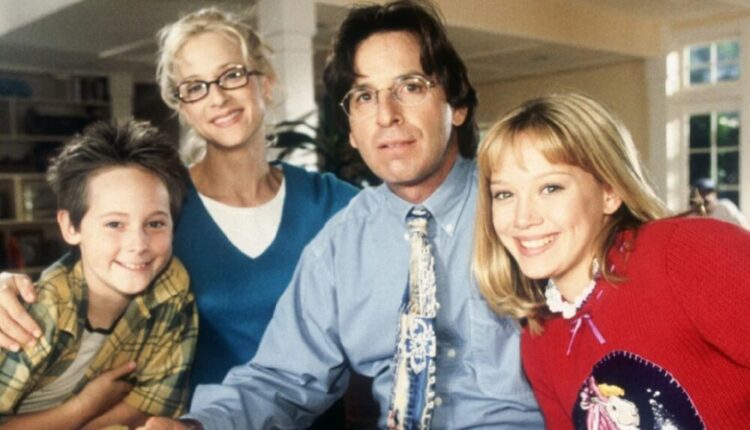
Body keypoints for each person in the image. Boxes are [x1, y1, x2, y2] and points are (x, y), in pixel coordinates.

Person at [136, 1, 543, 429]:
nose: (386, 115)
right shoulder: (340, 244)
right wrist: (197, 426)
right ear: (351, 127)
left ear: (457, 105)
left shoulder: (525, 208)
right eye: (365, 96)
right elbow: (282, 379)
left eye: (410, 87)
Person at [0, 6, 357, 409]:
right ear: (183, 107)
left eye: (232, 75)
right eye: (195, 86)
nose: (217, 97)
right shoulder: (158, 205)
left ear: (267, 83)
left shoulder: (332, 203)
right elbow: (83, 273)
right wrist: (7, 287)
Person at [473, 93, 750, 428]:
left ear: (609, 191)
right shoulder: (539, 337)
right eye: (504, 194)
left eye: (550, 188)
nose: (522, 218)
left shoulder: (687, 251)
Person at [0, 120, 197, 429]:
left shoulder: (171, 287)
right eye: (114, 224)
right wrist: (83, 408)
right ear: (70, 227)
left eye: (155, 223)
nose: (138, 245)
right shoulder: (34, 314)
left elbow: (154, 403)